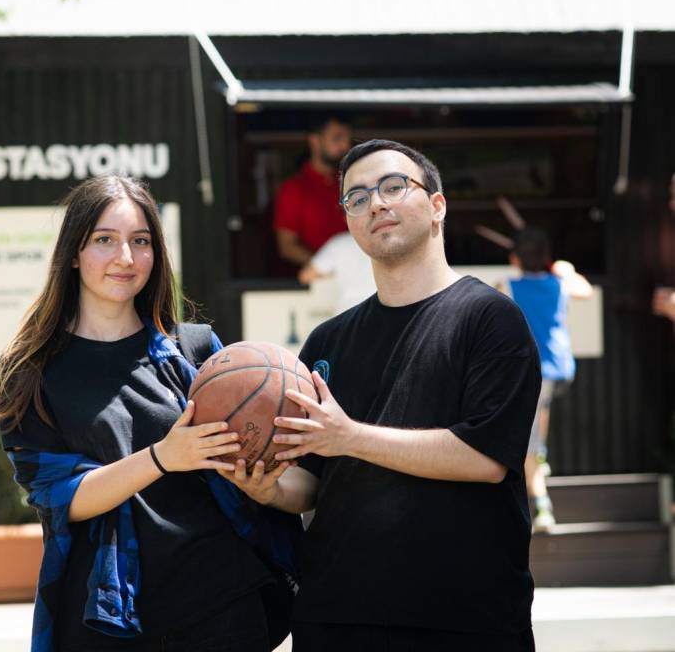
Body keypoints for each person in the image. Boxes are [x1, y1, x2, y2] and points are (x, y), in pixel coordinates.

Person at [222, 140, 540, 651]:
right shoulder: (328, 341)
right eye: (357, 197)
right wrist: (269, 490)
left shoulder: (490, 318)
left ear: (437, 206)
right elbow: (313, 479)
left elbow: (485, 459)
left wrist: (349, 436)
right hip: (335, 617)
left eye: (393, 186)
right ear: (349, 221)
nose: (376, 203)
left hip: (463, 617)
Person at [0, 175, 299, 652]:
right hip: (107, 616)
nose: (126, 258)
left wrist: (261, 477)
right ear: (73, 253)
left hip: (220, 603)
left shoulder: (195, 350)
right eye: (104, 240)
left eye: (141, 241)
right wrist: (163, 457)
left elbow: (270, 465)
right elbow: (57, 496)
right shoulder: (31, 373)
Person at [497, 228, 593, 531]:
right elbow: (585, 290)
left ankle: (541, 504)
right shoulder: (559, 283)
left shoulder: (507, 286)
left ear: (515, 258)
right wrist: (565, 269)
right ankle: (541, 458)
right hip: (559, 370)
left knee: (528, 439)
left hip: (531, 372)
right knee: (540, 414)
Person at [273, 115, 353, 269]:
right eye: (337, 138)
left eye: (347, 139)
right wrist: (328, 268)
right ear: (315, 140)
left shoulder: (352, 182)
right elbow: (287, 246)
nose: (345, 146)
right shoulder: (294, 188)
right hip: (317, 278)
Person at [296, 230, 376, 315]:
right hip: (380, 311)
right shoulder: (383, 241)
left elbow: (306, 276)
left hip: (348, 311)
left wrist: (332, 274)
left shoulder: (340, 242)